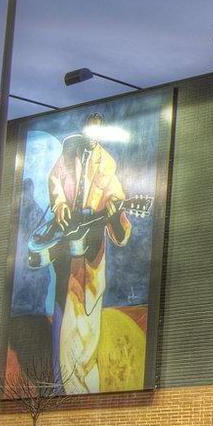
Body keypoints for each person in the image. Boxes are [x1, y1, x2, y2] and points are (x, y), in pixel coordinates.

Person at [42, 116, 132, 395]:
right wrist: (59, 205)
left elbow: (117, 207)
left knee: (89, 320)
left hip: (91, 251)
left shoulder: (107, 164)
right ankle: (66, 385)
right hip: (66, 248)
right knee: (66, 316)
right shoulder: (69, 152)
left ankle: (84, 386)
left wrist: (115, 212)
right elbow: (55, 181)